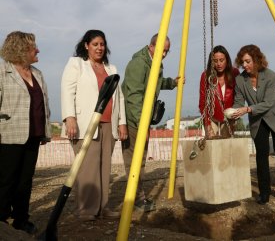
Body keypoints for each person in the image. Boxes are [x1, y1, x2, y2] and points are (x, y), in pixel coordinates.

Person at [61, 30, 127, 221]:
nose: (99, 48)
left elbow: (119, 98)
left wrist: (122, 122)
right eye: (95, 44)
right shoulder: (76, 64)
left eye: (102, 44)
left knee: (104, 167)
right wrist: (69, 118)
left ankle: (102, 208)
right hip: (85, 124)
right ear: (86, 45)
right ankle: (86, 210)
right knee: (88, 168)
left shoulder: (111, 68)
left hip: (108, 124)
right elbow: (67, 91)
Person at [121, 33, 180, 212]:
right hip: (133, 119)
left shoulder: (153, 62)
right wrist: (142, 125)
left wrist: (173, 83)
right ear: (151, 46)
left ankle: (137, 197)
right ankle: (136, 199)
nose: (163, 54)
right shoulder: (139, 64)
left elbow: (156, 82)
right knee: (134, 161)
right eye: (162, 50)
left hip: (139, 118)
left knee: (140, 160)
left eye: (167, 52)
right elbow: (133, 97)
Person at [0, 31, 51, 234]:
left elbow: (43, 104)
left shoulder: (37, 73)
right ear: (20, 49)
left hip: (33, 134)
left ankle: (21, 219)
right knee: (5, 180)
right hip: (8, 136)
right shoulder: (3, 72)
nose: (37, 50)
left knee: (25, 181)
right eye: (33, 47)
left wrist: (44, 131)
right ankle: (1, 221)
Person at [231, 44, 275, 204]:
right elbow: (239, 101)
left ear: (257, 60)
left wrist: (247, 109)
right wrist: (235, 112)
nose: (244, 65)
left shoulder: (271, 76)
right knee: (261, 155)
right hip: (258, 120)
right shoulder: (240, 80)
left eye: (247, 61)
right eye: (242, 62)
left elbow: (269, 102)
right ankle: (264, 193)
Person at [199, 45, 239, 139]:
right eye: (215, 61)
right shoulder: (206, 75)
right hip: (212, 118)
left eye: (222, 60)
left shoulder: (235, 73)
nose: (219, 64)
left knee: (227, 146)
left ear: (227, 60)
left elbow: (239, 96)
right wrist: (207, 125)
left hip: (229, 117)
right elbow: (202, 102)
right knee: (212, 146)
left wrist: (235, 116)